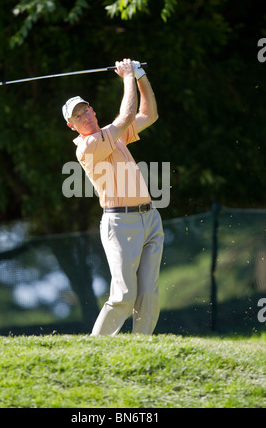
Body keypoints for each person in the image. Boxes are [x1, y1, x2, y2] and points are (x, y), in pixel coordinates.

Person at [62, 58, 164, 336]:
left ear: (93, 110)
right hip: (121, 224)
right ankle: (95, 349)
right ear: (72, 126)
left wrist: (141, 76)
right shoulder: (88, 146)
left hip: (150, 218)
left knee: (149, 294)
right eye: (77, 117)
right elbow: (126, 116)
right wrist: (128, 77)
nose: (85, 117)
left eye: (86, 110)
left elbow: (148, 114)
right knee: (123, 295)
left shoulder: (113, 135)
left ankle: (140, 349)